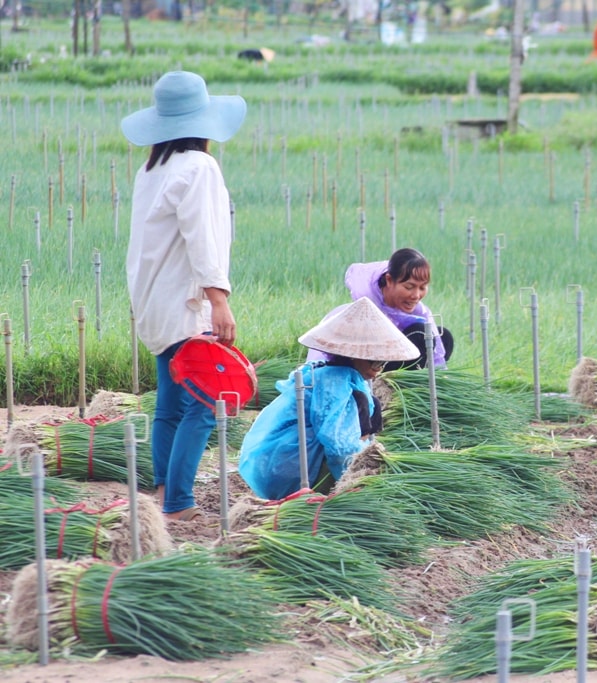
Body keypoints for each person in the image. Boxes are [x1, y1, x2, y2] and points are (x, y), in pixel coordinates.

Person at [121, 70, 247, 522]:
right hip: (185, 303)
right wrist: (219, 300)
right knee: (205, 403)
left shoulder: (153, 168)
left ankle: (163, 492)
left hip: (154, 302)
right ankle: (178, 503)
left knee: (170, 405)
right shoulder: (200, 167)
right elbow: (202, 238)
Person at [238, 297, 420, 501]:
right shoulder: (336, 383)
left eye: (383, 362)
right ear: (354, 354)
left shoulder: (337, 374)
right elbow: (339, 447)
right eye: (375, 360)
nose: (378, 368)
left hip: (266, 464)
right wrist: (361, 480)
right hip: (283, 470)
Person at [307, 248, 453, 372]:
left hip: (392, 357)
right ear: (389, 280)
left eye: (422, 288)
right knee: (421, 334)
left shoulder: (420, 312)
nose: (416, 295)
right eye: (409, 287)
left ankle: (415, 387)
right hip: (362, 365)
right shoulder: (366, 306)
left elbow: (436, 354)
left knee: (441, 336)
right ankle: (384, 387)